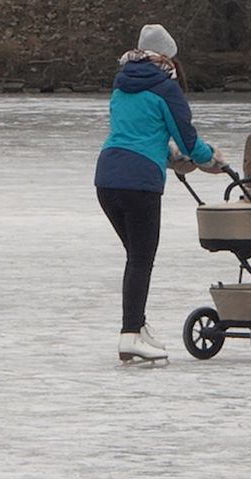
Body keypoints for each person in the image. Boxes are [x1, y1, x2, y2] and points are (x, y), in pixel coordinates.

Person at [95, 24, 226, 364]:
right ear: (168, 57)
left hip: (107, 179)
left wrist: (168, 158)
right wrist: (210, 159)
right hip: (139, 183)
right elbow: (188, 141)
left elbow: (135, 133)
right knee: (140, 259)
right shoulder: (165, 89)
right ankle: (129, 336)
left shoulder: (121, 83)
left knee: (135, 258)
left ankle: (137, 327)